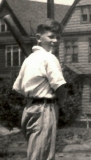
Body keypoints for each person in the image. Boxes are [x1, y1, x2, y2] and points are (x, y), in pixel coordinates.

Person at [13, 19, 67, 160]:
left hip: (29, 109)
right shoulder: (49, 58)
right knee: (42, 155)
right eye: (51, 36)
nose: (55, 40)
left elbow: (18, 87)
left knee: (35, 151)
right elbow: (60, 86)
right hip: (45, 109)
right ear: (38, 38)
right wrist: (60, 103)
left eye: (58, 37)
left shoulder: (28, 59)